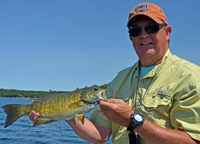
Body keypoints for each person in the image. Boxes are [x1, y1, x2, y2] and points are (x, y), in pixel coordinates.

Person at [29, 2, 200, 144]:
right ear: (130, 38)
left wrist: (132, 121)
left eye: (151, 28)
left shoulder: (190, 78)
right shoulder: (120, 79)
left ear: (167, 32)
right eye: (135, 31)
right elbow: (100, 134)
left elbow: (192, 141)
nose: (143, 35)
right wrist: (66, 114)